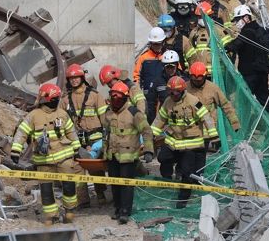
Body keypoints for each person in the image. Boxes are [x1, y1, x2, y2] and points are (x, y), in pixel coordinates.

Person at [10, 83, 82, 225]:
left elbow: (71, 132)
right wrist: (15, 150)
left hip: (64, 157)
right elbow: (22, 133)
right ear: (44, 99)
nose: (56, 100)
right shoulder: (33, 116)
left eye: (57, 97)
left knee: (69, 185)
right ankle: (52, 215)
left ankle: (70, 211)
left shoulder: (62, 114)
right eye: (54, 97)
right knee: (46, 189)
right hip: (44, 160)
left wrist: (76, 148)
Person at [151, 76, 214, 209]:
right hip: (173, 141)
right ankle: (167, 181)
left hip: (190, 143)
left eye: (176, 92)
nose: (173, 94)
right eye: (171, 92)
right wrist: (152, 134)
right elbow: (160, 119)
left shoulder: (193, 101)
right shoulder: (168, 102)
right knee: (162, 157)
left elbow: (206, 116)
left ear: (182, 91)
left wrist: (213, 133)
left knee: (187, 173)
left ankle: (182, 200)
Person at [102, 81, 154, 224]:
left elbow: (147, 131)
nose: (115, 100)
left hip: (128, 157)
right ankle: (118, 209)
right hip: (112, 155)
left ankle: (125, 211)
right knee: (114, 183)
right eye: (113, 97)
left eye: (118, 97)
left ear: (125, 98)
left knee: (126, 185)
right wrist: (104, 151)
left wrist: (149, 150)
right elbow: (105, 133)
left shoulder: (134, 113)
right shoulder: (108, 112)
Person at [59, 64, 109, 206]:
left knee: (95, 167)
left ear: (82, 78)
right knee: (77, 169)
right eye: (71, 78)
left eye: (76, 77)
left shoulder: (95, 95)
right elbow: (61, 121)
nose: (74, 81)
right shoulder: (65, 100)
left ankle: (100, 194)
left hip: (95, 138)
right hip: (76, 140)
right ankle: (83, 200)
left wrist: (107, 137)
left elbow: (104, 117)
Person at [225, 5, 269, 124]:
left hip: (250, 75)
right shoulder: (260, 30)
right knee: (265, 101)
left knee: (244, 101)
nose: (236, 23)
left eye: (237, 19)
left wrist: (225, 46)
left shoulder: (247, 32)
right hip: (262, 72)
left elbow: (236, 45)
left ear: (246, 17)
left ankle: (243, 128)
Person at [186, 62, 240, 146]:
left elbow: (226, 106)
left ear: (205, 76)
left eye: (199, 79)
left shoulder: (213, 88)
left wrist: (235, 124)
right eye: (194, 79)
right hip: (189, 131)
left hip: (208, 131)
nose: (196, 82)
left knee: (201, 156)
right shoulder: (185, 88)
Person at [185, 2, 234, 74]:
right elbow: (189, 54)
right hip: (199, 74)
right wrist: (188, 69)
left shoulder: (219, 31)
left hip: (217, 73)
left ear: (210, 16)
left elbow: (229, 52)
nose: (201, 19)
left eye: (203, 16)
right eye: (199, 17)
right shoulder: (194, 32)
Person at [134, 27, 166, 123]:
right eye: (154, 43)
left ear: (163, 42)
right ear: (150, 43)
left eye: (158, 43)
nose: (156, 46)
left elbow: (176, 72)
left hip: (164, 94)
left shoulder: (168, 56)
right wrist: (138, 92)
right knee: (150, 117)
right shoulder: (143, 58)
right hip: (149, 94)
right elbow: (136, 76)